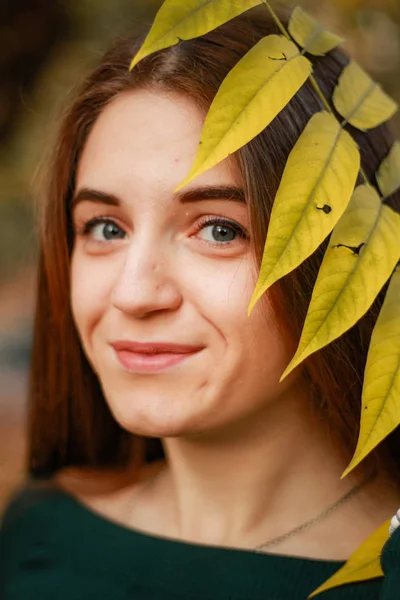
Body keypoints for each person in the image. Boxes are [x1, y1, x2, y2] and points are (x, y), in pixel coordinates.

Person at [1, 4, 400, 599]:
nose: (134, 294)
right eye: (106, 228)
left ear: (347, 254)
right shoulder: (39, 533)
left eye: (219, 229)